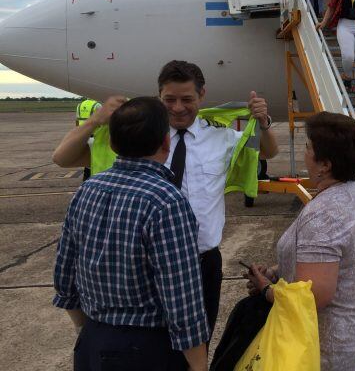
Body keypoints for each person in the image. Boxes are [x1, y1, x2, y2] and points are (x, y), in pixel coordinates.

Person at [52, 60, 279, 335]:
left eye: (187, 99)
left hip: (202, 262)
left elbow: (267, 152)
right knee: (151, 342)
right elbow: (62, 158)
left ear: (202, 95)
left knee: (198, 338)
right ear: (159, 96)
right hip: (145, 263)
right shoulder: (142, 136)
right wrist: (95, 120)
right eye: (169, 99)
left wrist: (263, 123)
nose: (178, 107)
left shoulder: (223, 138)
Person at [53, 97, 209, 371]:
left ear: (112, 144)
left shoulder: (87, 190)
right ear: (166, 142)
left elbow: (64, 277)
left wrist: (89, 330)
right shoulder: (165, 200)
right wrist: (198, 365)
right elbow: (182, 300)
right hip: (147, 349)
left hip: (92, 342)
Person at [244, 111, 355, 371]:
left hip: (323, 345)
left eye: (307, 147)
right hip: (350, 329)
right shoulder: (348, 192)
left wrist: (265, 290)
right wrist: (275, 272)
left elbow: (314, 295)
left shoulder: (326, 214)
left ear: (324, 164)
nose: (304, 152)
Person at [74, 98, 100, 181]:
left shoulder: (80, 105)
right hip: (94, 135)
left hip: (83, 135)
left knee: (87, 164)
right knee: (94, 160)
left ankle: (85, 182)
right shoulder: (97, 105)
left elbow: (77, 121)